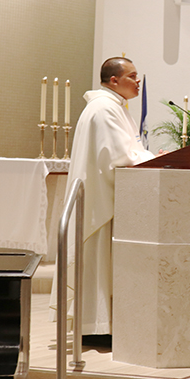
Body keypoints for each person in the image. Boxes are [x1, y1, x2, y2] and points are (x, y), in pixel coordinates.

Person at [51, 57, 155, 340]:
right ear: (114, 80)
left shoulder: (115, 107)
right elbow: (119, 156)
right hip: (100, 202)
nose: (138, 82)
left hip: (107, 198)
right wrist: (158, 160)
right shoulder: (104, 108)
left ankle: (103, 326)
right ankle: (96, 329)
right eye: (133, 76)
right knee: (98, 262)